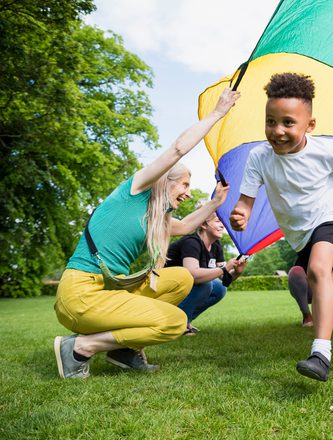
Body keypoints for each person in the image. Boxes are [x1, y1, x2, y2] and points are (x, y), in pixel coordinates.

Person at [53, 88, 240, 379]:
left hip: (109, 291)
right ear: (165, 182)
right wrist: (217, 113)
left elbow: (188, 226)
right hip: (81, 295)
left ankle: (123, 350)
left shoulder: (156, 218)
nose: (188, 194)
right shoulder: (135, 191)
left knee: (180, 278)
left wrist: (216, 202)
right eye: (185, 186)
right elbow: (178, 148)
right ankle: (80, 347)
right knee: (175, 322)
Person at [229, 73, 333, 382]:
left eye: (288, 123)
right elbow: (245, 200)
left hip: (329, 220)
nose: (278, 131)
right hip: (299, 234)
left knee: (318, 270)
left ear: (309, 125)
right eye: (270, 121)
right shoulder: (259, 157)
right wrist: (240, 213)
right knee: (331, 292)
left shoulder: (324, 150)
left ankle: (321, 354)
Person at [166, 206, 247, 335]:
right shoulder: (191, 242)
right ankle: (175, 322)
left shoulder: (215, 245)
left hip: (184, 287)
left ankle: (184, 321)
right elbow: (193, 274)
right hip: (165, 287)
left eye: (223, 222)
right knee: (205, 284)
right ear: (203, 224)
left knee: (220, 289)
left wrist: (237, 271)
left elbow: (223, 279)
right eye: (218, 221)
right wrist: (225, 268)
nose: (223, 226)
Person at [288, 252, 333, 327]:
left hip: (328, 291)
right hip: (310, 288)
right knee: (295, 271)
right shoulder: (306, 247)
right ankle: (307, 316)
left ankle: (325, 315)